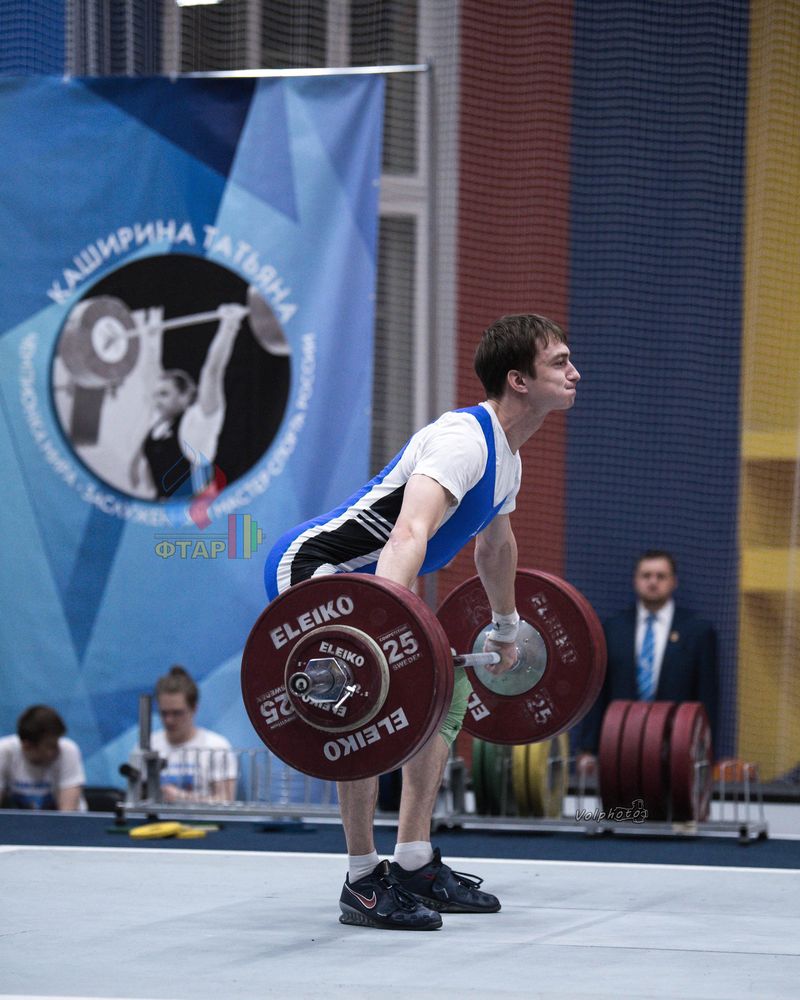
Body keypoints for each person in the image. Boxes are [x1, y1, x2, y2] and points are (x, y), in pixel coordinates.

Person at [264, 313, 580, 930]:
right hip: (316, 568)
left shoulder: (507, 459)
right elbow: (409, 532)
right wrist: (381, 634)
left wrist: (507, 625)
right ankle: (362, 880)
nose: (574, 372)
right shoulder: (462, 440)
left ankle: (412, 861)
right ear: (518, 380)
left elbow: (495, 548)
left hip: (374, 581)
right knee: (360, 704)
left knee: (445, 691)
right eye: (559, 362)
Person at [576, 549, 719, 770]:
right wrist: (588, 748)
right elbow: (598, 693)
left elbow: (707, 696)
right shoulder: (612, 629)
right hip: (620, 744)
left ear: (674, 582)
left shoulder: (697, 631)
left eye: (661, 576)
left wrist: (704, 750)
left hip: (677, 748)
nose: (653, 582)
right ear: (635, 581)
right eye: (646, 575)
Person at [129, 304, 244, 500]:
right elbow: (149, 375)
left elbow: (212, 371)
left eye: (164, 394)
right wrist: (150, 337)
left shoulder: (198, 422)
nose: (156, 400)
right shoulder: (161, 419)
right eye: (157, 394)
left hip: (195, 513)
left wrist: (229, 326)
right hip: (160, 508)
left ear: (184, 397)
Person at [132, 666, 237, 804]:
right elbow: (135, 799)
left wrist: (181, 797)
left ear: (194, 709)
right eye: (164, 713)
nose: (169, 720)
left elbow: (226, 801)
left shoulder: (217, 747)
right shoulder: (146, 746)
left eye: (177, 713)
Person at [0, 705, 86, 810]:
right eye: (50, 746)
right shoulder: (4, 752)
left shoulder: (68, 751)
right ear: (27, 746)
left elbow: (68, 813)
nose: (57, 750)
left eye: (57, 742)